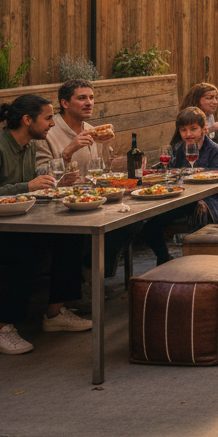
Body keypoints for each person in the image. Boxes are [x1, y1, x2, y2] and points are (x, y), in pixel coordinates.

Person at [0, 94, 91, 355]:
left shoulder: (28, 147)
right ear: (27, 120)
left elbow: (27, 190)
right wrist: (27, 186)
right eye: (48, 118)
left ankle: (55, 314)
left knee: (71, 234)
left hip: (7, 223)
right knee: (28, 248)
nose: (52, 124)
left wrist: (51, 185)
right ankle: (1, 330)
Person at [34, 79, 141, 286]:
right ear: (65, 103)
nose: (89, 103)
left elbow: (101, 170)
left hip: (90, 199)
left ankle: (90, 271)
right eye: (82, 98)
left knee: (133, 219)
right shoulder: (48, 131)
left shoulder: (93, 130)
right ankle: (86, 279)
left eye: (91, 98)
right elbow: (38, 173)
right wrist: (68, 152)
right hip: (58, 206)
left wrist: (124, 163)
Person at [140, 108, 218, 265]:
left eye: (193, 129)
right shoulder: (178, 149)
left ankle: (199, 262)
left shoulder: (214, 150)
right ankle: (164, 258)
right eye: (183, 129)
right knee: (148, 225)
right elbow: (169, 173)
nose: (188, 134)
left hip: (211, 199)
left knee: (199, 212)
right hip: (182, 199)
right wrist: (148, 171)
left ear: (204, 129)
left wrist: (194, 175)